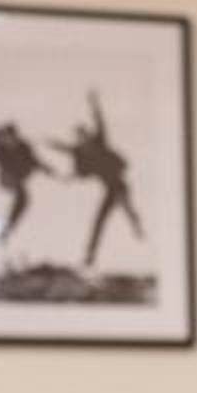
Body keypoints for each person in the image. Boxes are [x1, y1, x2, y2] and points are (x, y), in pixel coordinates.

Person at [55, 91, 145, 267]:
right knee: (99, 221)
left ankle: (137, 227)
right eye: (80, 138)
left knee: (127, 208)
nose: (83, 141)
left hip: (120, 185)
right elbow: (65, 150)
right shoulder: (80, 153)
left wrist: (94, 103)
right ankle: (90, 256)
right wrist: (68, 176)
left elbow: (100, 121)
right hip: (110, 190)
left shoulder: (99, 141)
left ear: (88, 135)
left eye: (84, 136)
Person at [0, 114, 51, 242]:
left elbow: (36, 161)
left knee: (23, 198)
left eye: (11, 138)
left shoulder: (24, 147)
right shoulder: (0, 150)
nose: (9, 141)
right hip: (8, 177)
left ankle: (7, 228)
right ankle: (6, 228)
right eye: (6, 139)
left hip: (18, 175)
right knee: (22, 195)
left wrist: (47, 169)